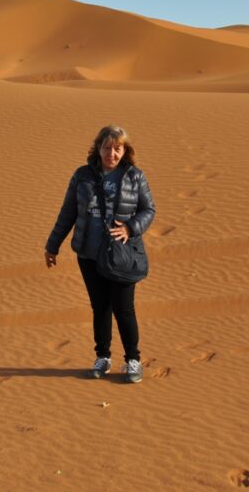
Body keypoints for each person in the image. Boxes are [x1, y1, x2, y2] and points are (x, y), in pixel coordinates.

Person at [44, 125, 156, 383]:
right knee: (100, 308)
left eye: (118, 148)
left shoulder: (134, 176)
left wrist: (131, 227)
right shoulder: (82, 176)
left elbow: (148, 210)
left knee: (124, 309)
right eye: (107, 148)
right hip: (89, 253)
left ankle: (133, 360)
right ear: (98, 148)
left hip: (122, 254)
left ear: (125, 150)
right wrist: (52, 245)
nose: (112, 154)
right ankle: (102, 357)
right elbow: (68, 212)